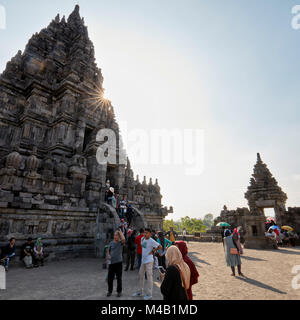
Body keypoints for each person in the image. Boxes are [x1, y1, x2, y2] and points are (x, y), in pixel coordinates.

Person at [132, 228, 162, 300]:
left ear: (150, 234)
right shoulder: (142, 239)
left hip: (149, 260)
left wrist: (153, 251)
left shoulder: (152, 240)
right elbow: (143, 247)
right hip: (143, 260)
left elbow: (160, 246)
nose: (145, 234)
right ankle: (141, 291)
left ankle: (149, 294)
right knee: (141, 275)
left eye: (147, 233)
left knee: (149, 276)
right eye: (144, 232)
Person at [107, 229, 125, 297]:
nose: (115, 236)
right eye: (115, 235)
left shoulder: (120, 242)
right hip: (111, 263)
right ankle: (109, 291)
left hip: (118, 263)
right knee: (110, 279)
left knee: (119, 278)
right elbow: (108, 250)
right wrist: (108, 255)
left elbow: (123, 239)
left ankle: (119, 291)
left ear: (119, 236)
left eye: (117, 235)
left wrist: (120, 232)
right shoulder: (111, 243)